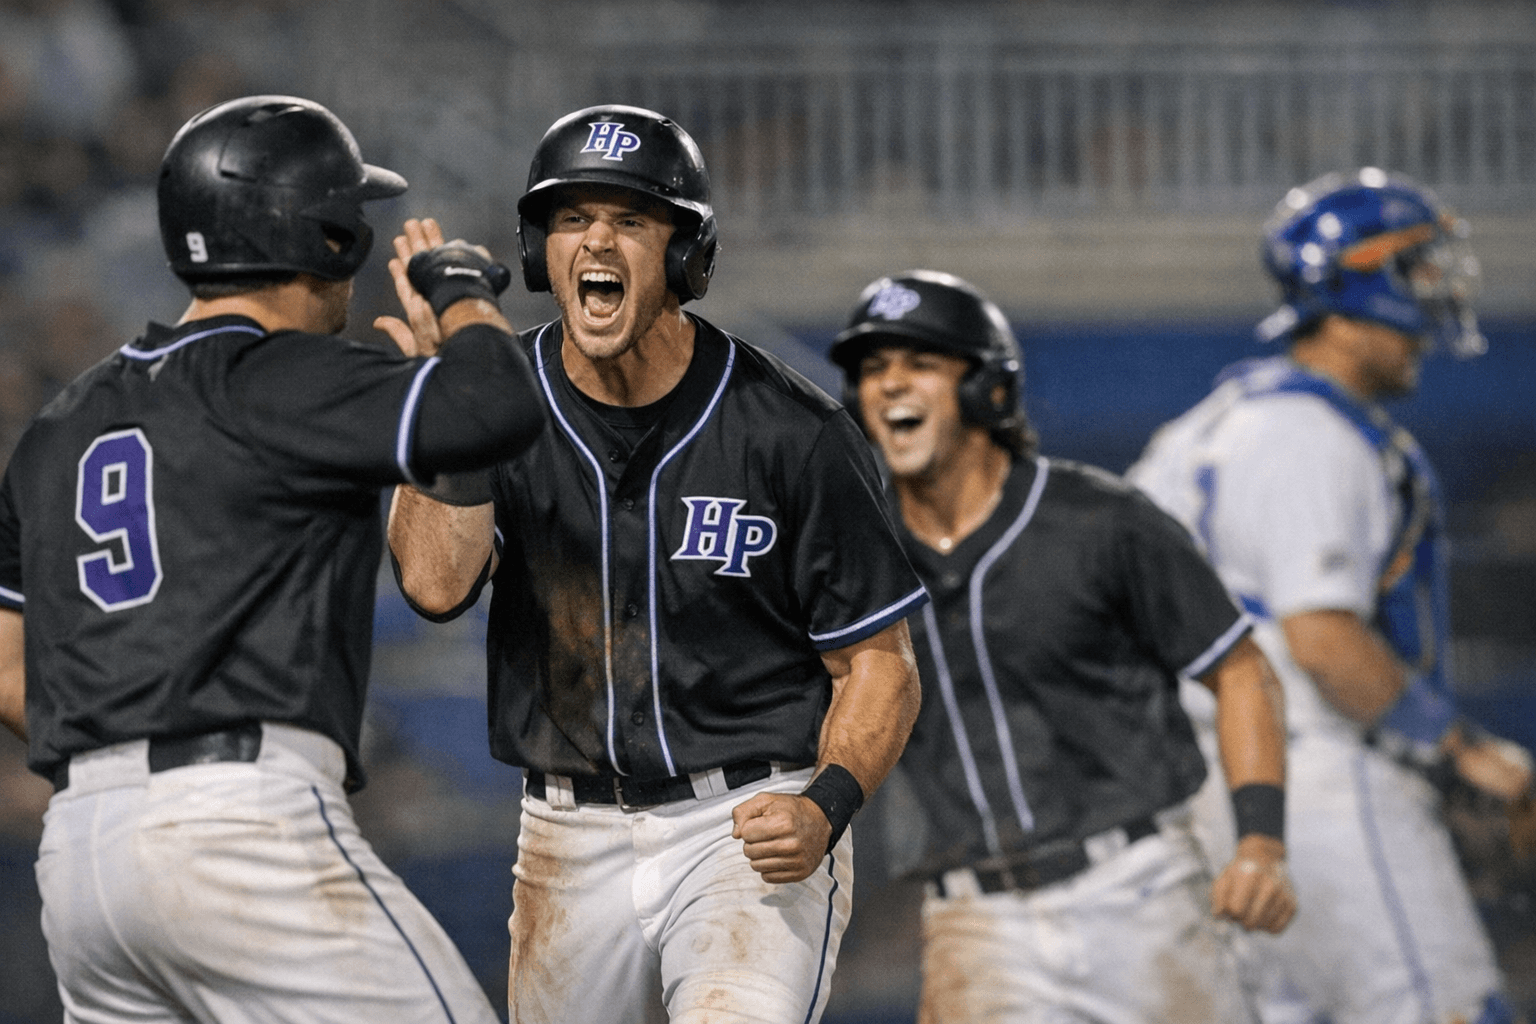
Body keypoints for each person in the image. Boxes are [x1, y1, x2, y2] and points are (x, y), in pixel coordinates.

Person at [0, 94, 548, 1023]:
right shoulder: (285, 377)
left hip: (84, 854)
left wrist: (125, 743)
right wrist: (461, 289)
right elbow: (496, 406)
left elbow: (9, 669)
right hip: (239, 823)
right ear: (327, 236)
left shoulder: (61, 426)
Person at [386, 104, 927, 1024]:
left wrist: (828, 803)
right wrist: (457, 415)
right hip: (563, 834)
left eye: (630, 220)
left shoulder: (792, 434)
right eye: (570, 219)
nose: (596, 239)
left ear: (686, 258)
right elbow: (435, 586)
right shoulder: (499, 400)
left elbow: (880, 664)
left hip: (745, 823)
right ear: (539, 252)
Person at [829, 269, 1297, 1024]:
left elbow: (1242, 672)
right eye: (873, 370)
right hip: (972, 923)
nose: (890, 386)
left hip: (1137, 894)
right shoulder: (854, 556)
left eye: (919, 363)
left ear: (989, 390)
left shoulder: (1101, 521)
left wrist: (1262, 846)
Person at [1129, 167, 1534, 1024]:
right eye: (1418, 270)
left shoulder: (1196, 430)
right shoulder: (1308, 434)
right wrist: (1454, 749)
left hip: (1195, 790)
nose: (1434, 295)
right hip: (1310, 775)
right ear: (1363, 279)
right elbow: (1320, 638)